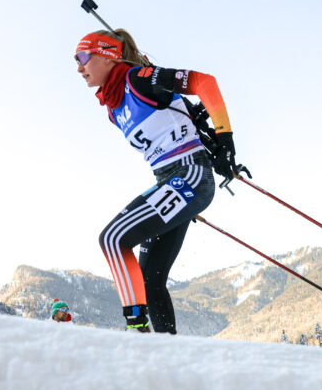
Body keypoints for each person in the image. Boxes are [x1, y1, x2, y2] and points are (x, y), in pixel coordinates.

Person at [74, 29, 239, 334]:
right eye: (76, 60)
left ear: (108, 55)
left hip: (189, 174)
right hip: (172, 181)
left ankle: (137, 329)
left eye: (84, 57)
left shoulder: (138, 79)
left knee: (113, 239)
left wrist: (224, 138)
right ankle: (165, 352)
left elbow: (204, 82)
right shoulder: (113, 108)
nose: (79, 66)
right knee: (150, 279)